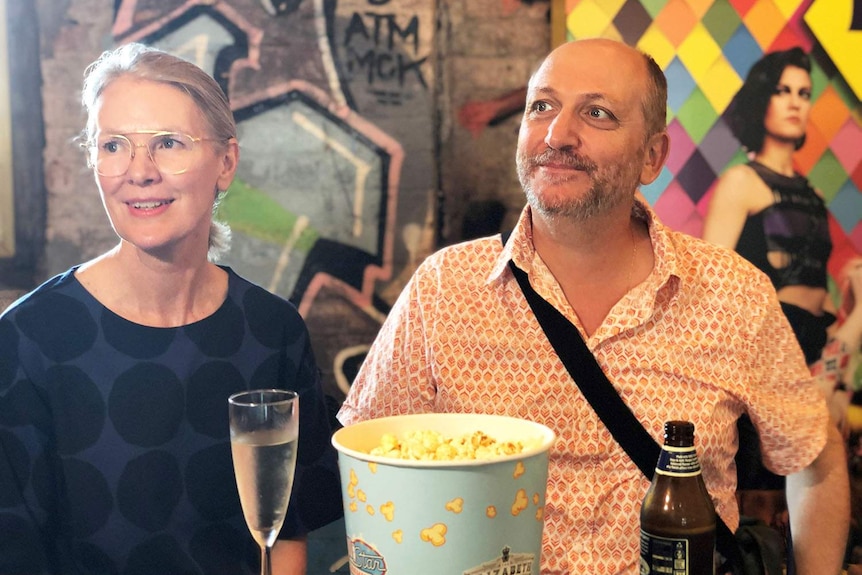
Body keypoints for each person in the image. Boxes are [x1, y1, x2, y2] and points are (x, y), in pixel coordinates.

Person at [338, 38, 849, 574]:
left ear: (651, 156)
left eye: (597, 113)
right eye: (542, 107)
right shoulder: (445, 288)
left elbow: (816, 457)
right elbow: (369, 468)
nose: (558, 134)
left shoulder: (733, 293)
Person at [0, 43, 343, 574]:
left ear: (226, 162)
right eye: (113, 145)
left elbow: (288, 530)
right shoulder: (29, 338)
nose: (139, 171)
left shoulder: (272, 330)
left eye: (168, 143)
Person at [702, 47, 862, 540]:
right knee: (777, 502)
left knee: (818, 485)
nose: (795, 102)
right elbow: (712, 285)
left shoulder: (808, 189)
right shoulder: (740, 181)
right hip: (772, 345)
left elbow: (812, 281)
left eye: (804, 93)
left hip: (819, 341)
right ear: (761, 100)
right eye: (783, 91)